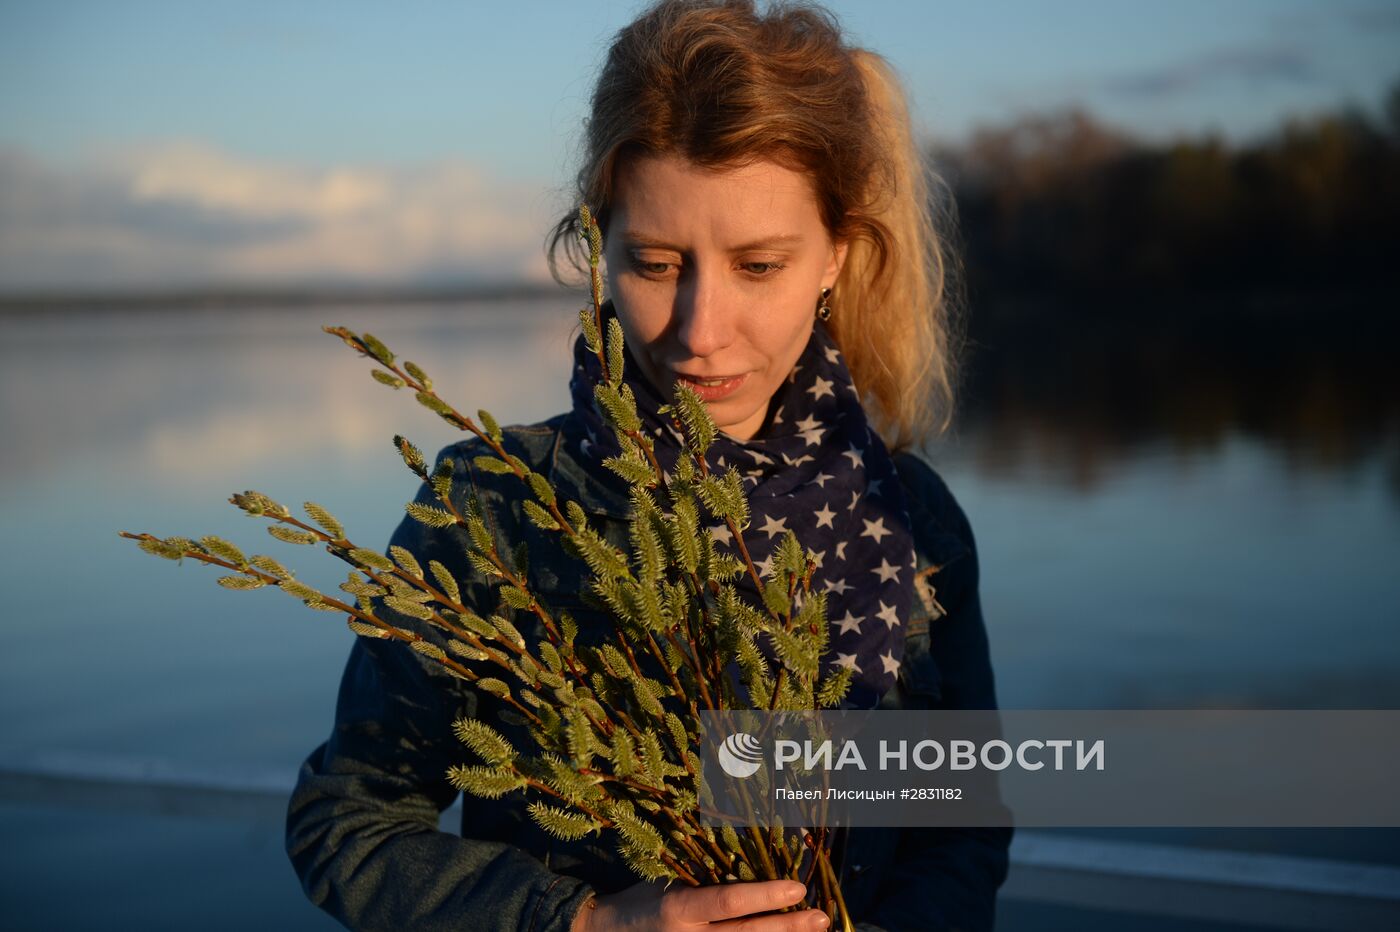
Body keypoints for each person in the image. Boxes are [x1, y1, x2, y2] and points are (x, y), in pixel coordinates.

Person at [285, 2, 1010, 929]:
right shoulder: (496, 508)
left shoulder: (912, 519)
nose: (701, 334)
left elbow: (960, 825)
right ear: (597, 250)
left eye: (758, 265)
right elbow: (348, 820)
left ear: (836, 252)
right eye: (657, 263)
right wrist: (584, 922)